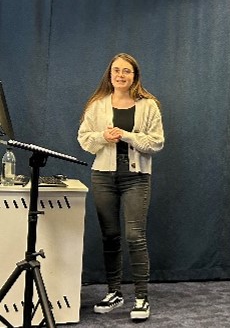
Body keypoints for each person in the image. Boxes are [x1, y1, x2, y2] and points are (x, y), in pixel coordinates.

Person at [77, 53, 164, 321]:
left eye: (127, 71)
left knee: (134, 236)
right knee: (110, 236)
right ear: (110, 74)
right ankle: (114, 292)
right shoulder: (97, 105)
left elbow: (156, 143)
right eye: (116, 70)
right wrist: (104, 136)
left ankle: (141, 298)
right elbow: (84, 139)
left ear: (135, 76)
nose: (121, 75)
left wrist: (125, 135)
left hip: (136, 178)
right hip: (103, 176)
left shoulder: (149, 106)